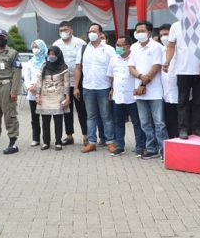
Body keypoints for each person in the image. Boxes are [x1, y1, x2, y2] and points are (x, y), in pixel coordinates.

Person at [74, 23, 116, 153]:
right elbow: (78, 68)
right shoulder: (83, 49)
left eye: (94, 31)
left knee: (106, 116)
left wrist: (113, 88)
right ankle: (91, 142)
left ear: (100, 33)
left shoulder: (109, 49)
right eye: (89, 31)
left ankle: (110, 142)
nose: (91, 33)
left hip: (104, 87)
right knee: (90, 117)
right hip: (88, 87)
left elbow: (114, 69)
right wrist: (76, 87)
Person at [129, 21, 167, 160]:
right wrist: (140, 77)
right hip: (140, 93)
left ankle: (164, 150)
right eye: (137, 31)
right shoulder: (133, 47)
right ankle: (151, 148)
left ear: (149, 32)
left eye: (142, 31)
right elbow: (131, 67)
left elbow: (156, 66)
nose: (139, 33)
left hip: (155, 92)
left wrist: (144, 83)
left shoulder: (156, 47)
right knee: (144, 122)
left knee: (159, 123)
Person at [167, 20, 200, 140]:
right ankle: (183, 129)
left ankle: (196, 128)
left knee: (198, 101)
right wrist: (167, 61)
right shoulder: (175, 25)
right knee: (183, 101)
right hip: (182, 70)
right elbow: (171, 46)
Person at [107, 36, 145, 157]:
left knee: (137, 122)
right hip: (118, 96)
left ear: (128, 46)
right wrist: (112, 89)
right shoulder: (113, 59)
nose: (117, 47)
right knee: (118, 122)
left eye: (120, 45)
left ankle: (140, 146)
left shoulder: (135, 58)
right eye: (116, 45)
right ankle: (120, 146)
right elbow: (112, 76)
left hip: (132, 96)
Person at [53, 21, 87, 146]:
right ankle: (69, 136)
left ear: (71, 30)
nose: (64, 32)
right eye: (61, 30)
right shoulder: (56, 44)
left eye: (66, 29)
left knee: (82, 110)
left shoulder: (80, 43)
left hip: (79, 82)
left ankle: (86, 135)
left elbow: (85, 61)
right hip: (63, 83)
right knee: (66, 110)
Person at [35, 46, 70, 150]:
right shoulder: (44, 66)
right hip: (45, 96)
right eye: (49, 54)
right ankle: (46, 142)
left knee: (58, 121)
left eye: (53, 54)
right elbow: (39, 81)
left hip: (58, 96)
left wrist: (67, 97)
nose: (51, 56)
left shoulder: (64, 67)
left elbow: (66, 84)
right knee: (45, 121)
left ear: (58, 55)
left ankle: (58, 142)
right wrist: (37, 95)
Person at [24, 39, 47, 147]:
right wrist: (29, 87)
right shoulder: (30, 62)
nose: (34, 49)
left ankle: (46, 140)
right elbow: (26, 78)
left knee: (46, 117)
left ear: (42, 48)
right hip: (32, 94)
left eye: (36, 47)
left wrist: (38, 86)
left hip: (45, 93)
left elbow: (48, 78)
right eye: (33, 47)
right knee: (35, 117)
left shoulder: (47, 61)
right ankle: (36, 138)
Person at [159, 24, 179, 139]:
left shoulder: (180, 49)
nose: (163, 37)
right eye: (161, 35)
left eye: (166, 34)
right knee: (169, 122)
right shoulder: (161, 50)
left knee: (181, 123)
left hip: (179, 93)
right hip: (166, 95)